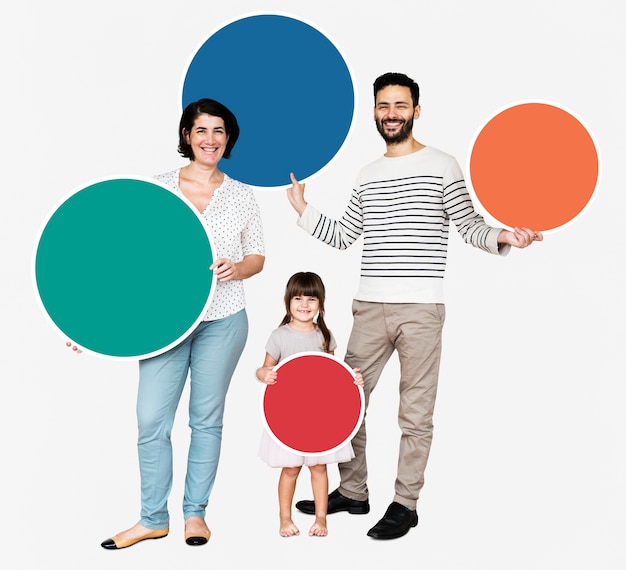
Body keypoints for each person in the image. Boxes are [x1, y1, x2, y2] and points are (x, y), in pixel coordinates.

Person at [286, 72, 543, 540]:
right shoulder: (367, 174)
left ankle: (405, 503)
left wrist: (503, 235)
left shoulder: (443, 165)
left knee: (415, 413)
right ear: (374, 112)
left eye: (400, 105)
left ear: (416, 110)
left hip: (421, 310)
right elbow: (345, 236)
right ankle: (355, 491)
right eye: (383, 105)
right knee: (346, 402)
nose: (391, 114)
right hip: (369, 305)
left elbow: (468, 225)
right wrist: (303, 210)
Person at [101, 98, 265, 549]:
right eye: (200, 130)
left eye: (218, 130)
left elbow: (258, 255)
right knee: (151, 420)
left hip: (224, 319)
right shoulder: (157, 189)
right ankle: (152, 517)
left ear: (227, 137)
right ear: (186, 137)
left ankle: (195, 515)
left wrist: (240, 267)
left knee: (206, 420)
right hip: (165, 322)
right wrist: (88, 323)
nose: (209, 139)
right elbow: (127, 260)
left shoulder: (240, 194)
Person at [255, 272, 363, 538]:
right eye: (298, 298)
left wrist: (353, 379)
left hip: (318, 417)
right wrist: (264, 374)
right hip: (287, 416)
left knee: (318, 467)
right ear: (288, 302)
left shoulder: (324, 336)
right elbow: (263, 369)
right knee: (290, 469)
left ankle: (321, 519)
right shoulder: (279, 336)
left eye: (311, 299)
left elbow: (333, 375)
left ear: (320, 303)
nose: (304, 304)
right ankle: (284, 518)